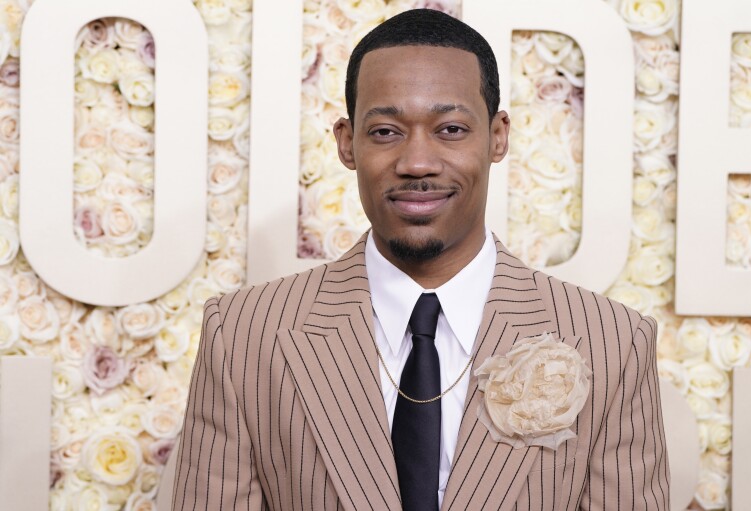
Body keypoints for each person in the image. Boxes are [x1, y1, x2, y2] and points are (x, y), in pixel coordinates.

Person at [172, 8, 669, 510]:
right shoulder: (241, 335)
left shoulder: (612, 343)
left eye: (450, 129)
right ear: (347, 143)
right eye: (386, 131)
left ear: (498, 136)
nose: (416, 164)